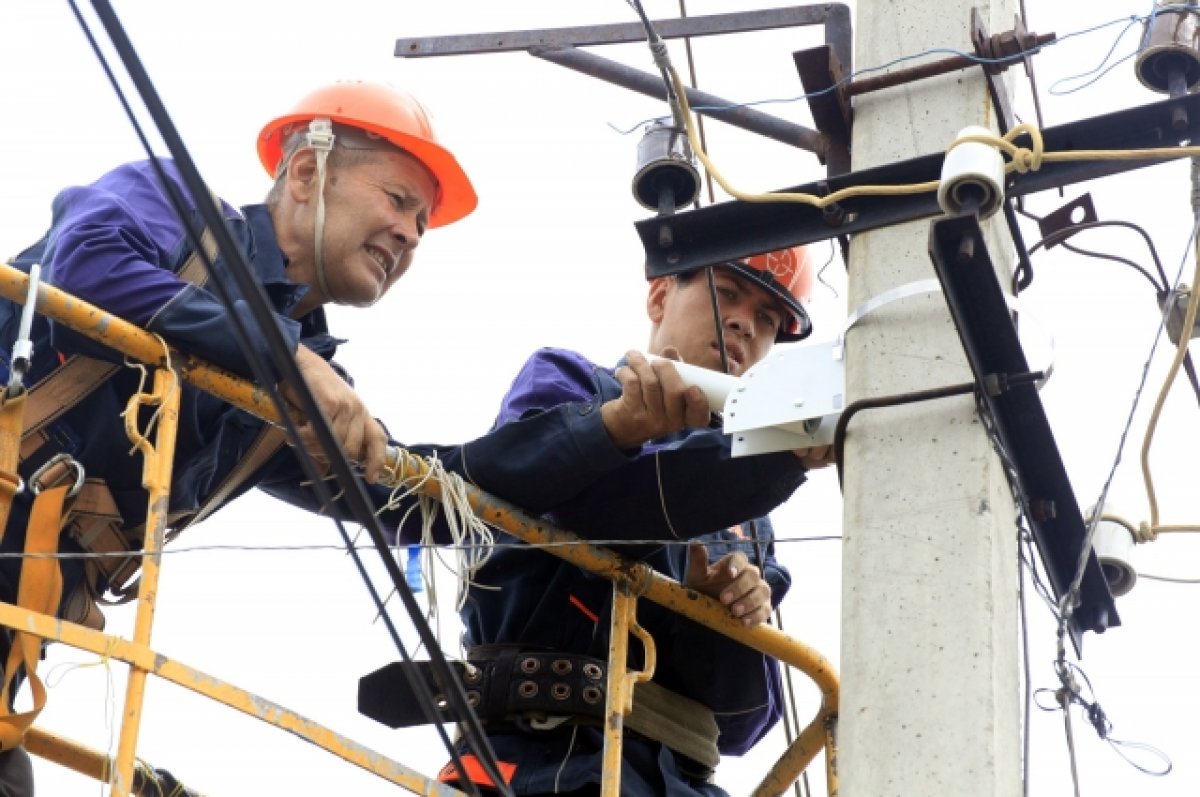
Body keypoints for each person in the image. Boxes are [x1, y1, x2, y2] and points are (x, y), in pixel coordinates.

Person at [0, 79, 476, 795]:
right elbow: (88, 262)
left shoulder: (301, 389)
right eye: (399, 200)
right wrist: (285, 357)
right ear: (310, 172)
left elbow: (417, 495)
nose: (411, 233)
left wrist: (608, 438)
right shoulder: (178, 210)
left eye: (423, 223)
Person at [437, 246, 833, 795]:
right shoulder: (572, 388)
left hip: (676, 782)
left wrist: (719, 615)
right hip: (537, 762)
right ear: (658, 294)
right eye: (726, 294)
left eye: (768, 319)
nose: (744, 322)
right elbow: (583, 502)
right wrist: (777, 458)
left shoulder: (750, 520)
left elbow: (744, 722)